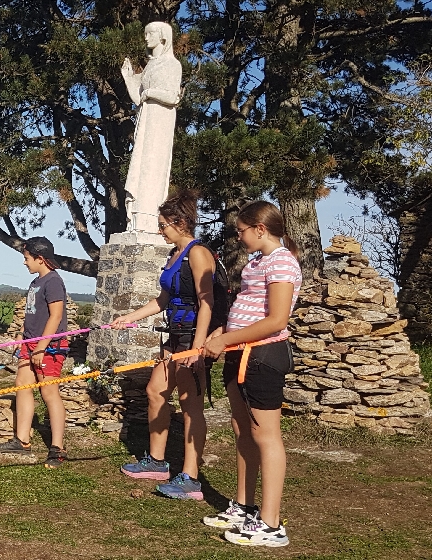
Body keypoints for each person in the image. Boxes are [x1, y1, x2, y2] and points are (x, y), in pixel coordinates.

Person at [201, 200, 302, 548]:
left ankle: (272, 524)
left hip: (262, 356)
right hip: (238, 352)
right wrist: (220, 334)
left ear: (260, 228)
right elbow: (248, 305)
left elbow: (276, 320)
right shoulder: (258, 260)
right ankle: (244, 507)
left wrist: (227, 337)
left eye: (242, 230)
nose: (239, 237)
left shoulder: (283, 261)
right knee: (242, 428)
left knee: (266, 435)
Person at [110, 191, 214, 500]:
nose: (160, 231)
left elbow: (206, 303)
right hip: (175, 336)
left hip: (193, 337)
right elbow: (164, 299)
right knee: (155, 391)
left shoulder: (198, 254)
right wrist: (129, 316)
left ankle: (191, 478)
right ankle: (157, 462)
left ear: (181, 223)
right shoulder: (174, 256)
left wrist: (197, 349)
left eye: (164, 225)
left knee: (190, 405)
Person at [0, 236, 70, 468]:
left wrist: (41, 346)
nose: (24, 263)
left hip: (48, 347)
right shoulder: (36, 282)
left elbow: (56, 316)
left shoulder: (54, 281)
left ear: (40, 258)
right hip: (30, 344)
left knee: (49, 393)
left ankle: (57, 448)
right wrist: (22, 335)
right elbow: (33, 314)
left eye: (27, 258)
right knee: (22, 386)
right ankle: (22, 440)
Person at [120, 21, 182, 234]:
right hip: (146, 121)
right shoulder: (151, 66)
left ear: (163, 36)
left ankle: (148, 220)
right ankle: (136, 218)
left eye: (150, 33)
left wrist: (149, 93)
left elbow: (173, 96)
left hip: (160, 123)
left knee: (152, 168)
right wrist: (128, 78)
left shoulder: (172, 64)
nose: (146, 38)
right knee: (140, 167)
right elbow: (138, 98)